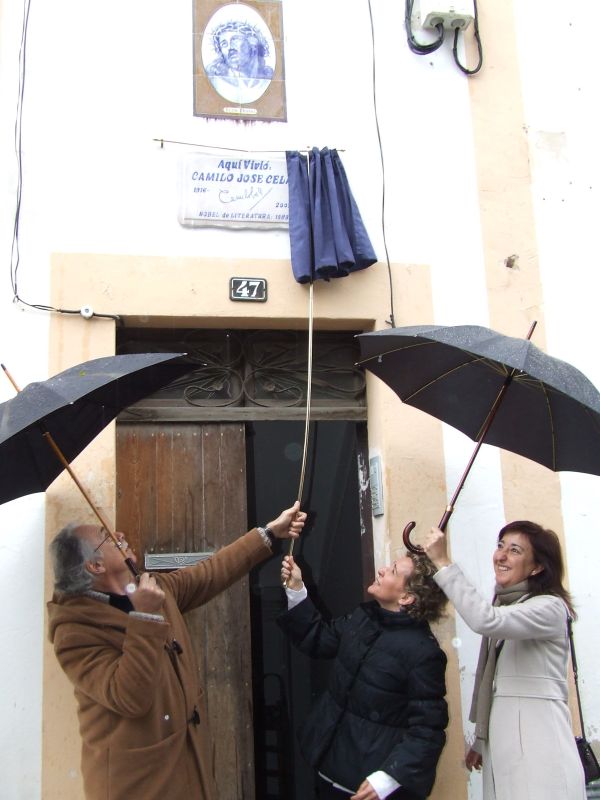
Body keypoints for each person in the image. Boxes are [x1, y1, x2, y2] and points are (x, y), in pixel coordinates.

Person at [47, 502, 306, 800]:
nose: (120, 534)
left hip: (186, 764)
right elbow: (128, 697)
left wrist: (270, 533)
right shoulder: (74, 632)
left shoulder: (152, 587)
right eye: (108, 537)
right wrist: (144, 617)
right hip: (139, 784)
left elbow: (209, 573)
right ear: (96, 566)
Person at [424, 520, 586, 800]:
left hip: (539, 758)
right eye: (500, 546)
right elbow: (496, 682)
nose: (501, 555)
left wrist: (442, 561)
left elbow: (485, 620)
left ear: (537, 567)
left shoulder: (548, 607)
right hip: (509, 752)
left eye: (514, 550)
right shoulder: (508, 605)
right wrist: (483, 739)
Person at [279, 552, 449, 800]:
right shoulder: (364, 618)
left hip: (367, 786)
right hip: (328, 767)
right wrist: (296, 589)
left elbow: (428, 729)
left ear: (406, 597)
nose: (382, 570)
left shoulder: (423, 653)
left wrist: (389, 777)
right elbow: (320, 640)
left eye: (392, 570)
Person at [204, 20, 274, 104]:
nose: (230, 48)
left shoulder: (267, 82)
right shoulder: (216, 82)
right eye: (224, 44)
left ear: (253, 45)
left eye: (235, 40)